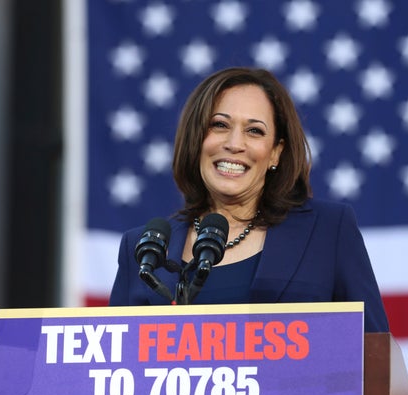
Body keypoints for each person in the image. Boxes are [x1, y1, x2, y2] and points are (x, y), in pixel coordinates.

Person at [109, 67, 389, 332]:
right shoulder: (143, 250)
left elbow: (376, 359)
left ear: (276, 152)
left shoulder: (328, 231)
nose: (234, 143)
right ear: (195, 140)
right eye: (219, 125)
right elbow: (113, 368)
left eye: (254, 130)